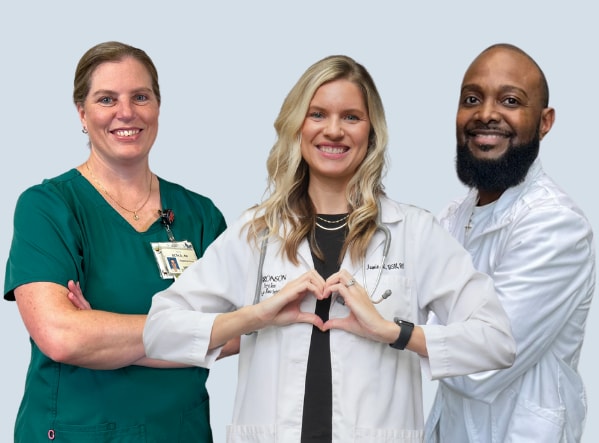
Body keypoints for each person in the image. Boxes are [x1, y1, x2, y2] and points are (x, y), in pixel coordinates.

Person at [142, 54, 516, 443]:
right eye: (318, 114)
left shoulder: (413, 232)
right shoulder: (257, 232)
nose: (334, 131)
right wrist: (255, 317)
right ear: (297, 126)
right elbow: (160, 330)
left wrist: (393, 332)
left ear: (371, 133)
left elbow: (496, 341)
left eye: (351, 117)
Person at [3, 41, 227, 442]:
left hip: (179, 432)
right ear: (82, 114)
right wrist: (194, 334)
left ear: (158, 107)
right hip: (79, 432)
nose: (127, 112)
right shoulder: (48, 207)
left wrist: (101, 337)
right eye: (107, 99)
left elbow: (239, 334)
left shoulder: (201, 215)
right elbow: (61, 336)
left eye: (140, 97)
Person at [425, 44, 596, 442]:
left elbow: (479, 368)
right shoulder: (452, 216)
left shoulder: (556, 225)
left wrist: (395, 329)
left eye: (510, 100)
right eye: (471, 99)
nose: (485, 114)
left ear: (544, 121)